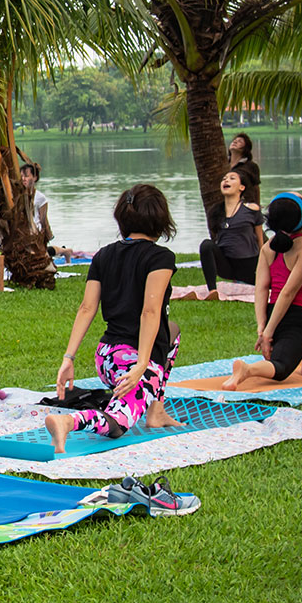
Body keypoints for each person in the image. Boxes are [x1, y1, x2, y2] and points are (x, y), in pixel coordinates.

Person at [45, 185, 186, 452]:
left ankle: (156, 411)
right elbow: (150, 311)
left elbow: (87, 308)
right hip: (133, 362)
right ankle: (67, 422)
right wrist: (143, 363)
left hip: (107, 357)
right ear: (160, 219)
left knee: (173, 331)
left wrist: (69, 358)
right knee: (118, 424)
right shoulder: (160, 257)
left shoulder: (104, 254)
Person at [224, 193, 302, 389]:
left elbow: (262, 289)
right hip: (295, 318)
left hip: (275, 313)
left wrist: (263, 325)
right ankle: (247, 370)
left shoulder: (268, 247)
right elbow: (288, 292)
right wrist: (267, 333)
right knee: (280, 369)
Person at [198, 165, 264, 297]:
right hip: (227, 265)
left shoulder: (252, 208)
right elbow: (215, 240)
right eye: (224, 179)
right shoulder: (215, 212)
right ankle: (212, 291)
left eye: (232, 178)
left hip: (248, 264)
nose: (226, 181)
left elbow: (260, 240)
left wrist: (263, 267)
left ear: (242, 187)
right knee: (206, 245)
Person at [20, 162, 52, 251]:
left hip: (35, 233)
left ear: (35, 178)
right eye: (21, 176)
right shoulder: (16, 196)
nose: (23, 179)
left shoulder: (40, 197)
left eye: (26, 176)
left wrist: (48, 235)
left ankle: (65, 251)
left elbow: (43, 219)